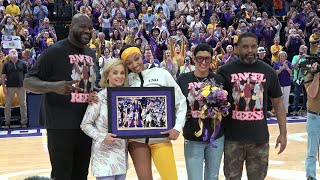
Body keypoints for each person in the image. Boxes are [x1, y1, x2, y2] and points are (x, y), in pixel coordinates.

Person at [23, 14, 96, 180]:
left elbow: (89, 83)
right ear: (71, 28)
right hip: (60, 123)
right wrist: (53, 86)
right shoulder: (55, 51)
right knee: (62, 174)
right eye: (83, 27)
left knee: (81, 174)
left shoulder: (91, 53)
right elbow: (28, 82)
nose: (87, 31)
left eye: (90, 28)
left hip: (86, 124)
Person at [216, 32, 287, 179]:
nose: (250, 50)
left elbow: (278, 103)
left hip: (259, 139)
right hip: (232, 140)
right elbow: (215, 104)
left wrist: (283, 133)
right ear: (237, 48)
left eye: (253, 47)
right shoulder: (224, 71)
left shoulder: (268, 71)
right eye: (245, 46)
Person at [119, 45, 187, 180]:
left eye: (136, 59)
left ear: (142, 55)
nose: (134, 64)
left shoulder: (162, 74)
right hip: (136, 140)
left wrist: (177, 128)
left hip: (160, 137)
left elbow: (181, 102)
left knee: (171, 178)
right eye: (129, 63)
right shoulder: (125, 80)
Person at [176, 43, 225, 180]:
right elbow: (175, 104)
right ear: (193, 58)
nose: (203, 62)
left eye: (207, 59)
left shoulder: (218, 79)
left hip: (216, 137)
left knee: (212, 177)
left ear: (211, 59)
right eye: (200, 58)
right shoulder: (183, 79)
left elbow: (226, 106)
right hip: (192, 137)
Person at [81, 59, 128, 180]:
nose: (119, 76)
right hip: (104, 158)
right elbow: (85, 124)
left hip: (121, 158)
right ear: (107, 75)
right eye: (115, 72)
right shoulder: (99, 97)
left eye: (122, 73)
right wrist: (102, 137)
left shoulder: (129, 97)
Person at [1, 48, 28, 128]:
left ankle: (24, 122)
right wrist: (4, 88)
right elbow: (3, 77)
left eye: (15, 52)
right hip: (9, 87)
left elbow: (26, 76)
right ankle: (7, 123)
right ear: (9, 55)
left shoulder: (23, 63)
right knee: (7, 105)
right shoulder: (6, 64)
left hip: (21, 87)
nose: (14, 53)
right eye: (12, 52)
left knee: (23, 104)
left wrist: (27, 86)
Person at [304, 62, 320, 180]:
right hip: (314, 117)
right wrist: (316, 76)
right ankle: (311, 177)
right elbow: (312, 94)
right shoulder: (310, 75)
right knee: (312, 151)